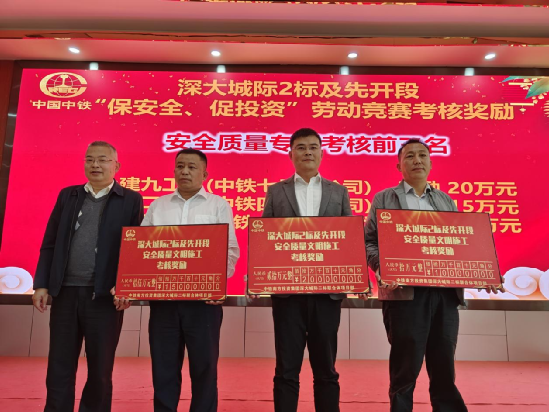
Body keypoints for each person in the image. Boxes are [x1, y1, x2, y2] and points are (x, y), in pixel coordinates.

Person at [365, 139, 503, 413]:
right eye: (410, 156)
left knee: (443, 364)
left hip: (444, 294)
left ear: (430, 162)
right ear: (399, 165)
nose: (417, 160)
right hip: (405, 295)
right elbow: (369, 242)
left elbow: (459, 243)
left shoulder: (445, 200)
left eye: (422, 155)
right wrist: (383, 268)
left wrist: (484, 271)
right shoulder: (385, 198)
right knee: (405, 368)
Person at [33, 141, 144, 412]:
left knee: (100, 368)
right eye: (90, 159)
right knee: (59, 364)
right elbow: (50, 242)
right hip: (65, 292)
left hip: (104, 296)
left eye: (103, 160)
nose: (95, 165)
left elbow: (136, 247)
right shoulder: (68, 195)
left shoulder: (130, 199)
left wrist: (127, 286)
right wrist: (42, 284)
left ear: (116, 166)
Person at [142, 148, 240, 413]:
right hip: (163, 301)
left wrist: (217, 284)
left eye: (192, 167)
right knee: (163, 367)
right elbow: (141, 247)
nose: (184, 171)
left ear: (205, 174)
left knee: (204, 368)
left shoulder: (218, 205)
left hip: (203, 302)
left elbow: (230, 249)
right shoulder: (158, 205)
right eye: (180, 166)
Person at [262, 128, 352, 413]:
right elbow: (265, 237)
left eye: (313, 147)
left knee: (326, 368)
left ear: (322, 153)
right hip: (287, 294)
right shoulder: (276, 191)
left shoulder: (339, 192)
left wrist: (356, 277)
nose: (308, 152)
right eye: (301, 147)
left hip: (327, 294)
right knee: (286, 368)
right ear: (290, 154)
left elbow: (348, 239)